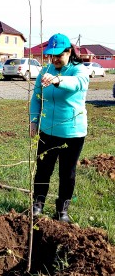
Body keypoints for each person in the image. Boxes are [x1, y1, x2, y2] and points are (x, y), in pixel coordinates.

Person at [29, 33, 89, 223]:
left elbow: (78, 84)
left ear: (69, 52)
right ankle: (37, 204)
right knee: (43, 169)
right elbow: (36, 97)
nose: (54, 59)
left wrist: (57, 80)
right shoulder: (45, 70)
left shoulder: (79, 70)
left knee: (67, 172)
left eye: (58, 55)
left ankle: (62, 209)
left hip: (73, 132)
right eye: (51, 55)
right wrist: (33, 121)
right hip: (47, 130)